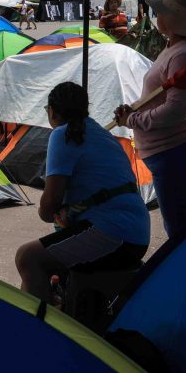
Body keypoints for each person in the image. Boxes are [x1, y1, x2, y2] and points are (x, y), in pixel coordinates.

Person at [15, 83, 150, 303]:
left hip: (114, 233)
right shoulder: (102, 135)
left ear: (52, 111)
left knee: (28, 257)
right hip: (136, 233)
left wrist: (52, 210)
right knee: (52, 257)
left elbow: (48, 208)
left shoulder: (62, 134)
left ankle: (39, 332)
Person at [113, 0, 186, 237]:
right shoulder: (176, 49)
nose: (156, 14)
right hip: (172, 156)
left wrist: (132, 119)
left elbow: (175, 112)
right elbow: (161, 97)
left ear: (173, 19)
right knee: (182, 230)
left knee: (182, 235)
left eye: (161, 11)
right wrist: (135, 109)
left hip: (178, 156)